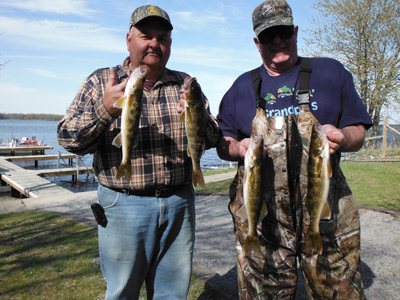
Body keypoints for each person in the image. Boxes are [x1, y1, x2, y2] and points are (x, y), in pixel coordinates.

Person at [57, 5, 219, 300]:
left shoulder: (186, 84)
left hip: (179, 203)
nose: (155, 44)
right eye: (146, 36)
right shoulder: (101, 81)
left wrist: (197, 116)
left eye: (163, 38)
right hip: (123, 206)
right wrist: (104, 110)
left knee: (172, 294)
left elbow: (213, 139)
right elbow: (68, 139)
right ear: (128, 39)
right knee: (122, 293)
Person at [216, 0, 373, 299]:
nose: (277, 41)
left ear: (296, 30)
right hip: (264, 228)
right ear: (256, 42)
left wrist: (343, 136)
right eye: (267, 36)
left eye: (283, 31)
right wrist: (238, 149)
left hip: (327, 220)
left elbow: (359, 132)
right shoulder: (240, 87)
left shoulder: (331, 73)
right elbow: (222, 143)